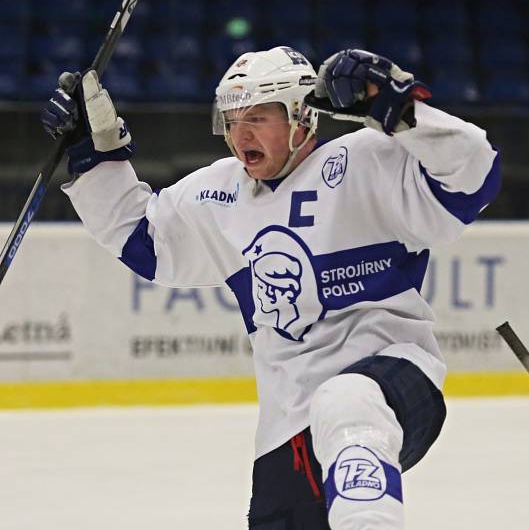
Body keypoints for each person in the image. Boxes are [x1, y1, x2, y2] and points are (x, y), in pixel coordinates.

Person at [41, 46, 501, 529]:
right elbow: (142, 238)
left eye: (258, 117)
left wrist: (401, 112)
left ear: (302, 114)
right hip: (288, 426)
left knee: (345, 400)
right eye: (232, 120)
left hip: (394, 383)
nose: (241, 135)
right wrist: (92, 153)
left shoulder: (368, 162)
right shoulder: (219, 195)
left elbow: (475, 178)